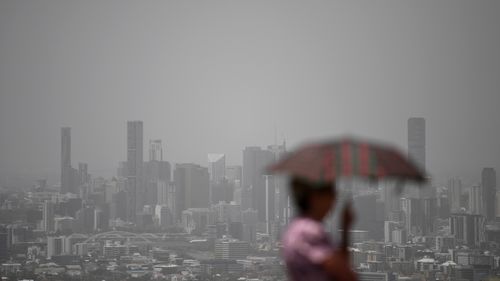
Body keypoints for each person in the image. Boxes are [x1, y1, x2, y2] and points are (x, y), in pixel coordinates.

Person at [282, 177, 357, 281]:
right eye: (330, 193)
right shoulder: (309, 231)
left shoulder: (294, 228)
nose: (334, 199)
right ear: (315, 197)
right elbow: (344, 274)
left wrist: (345, 228)